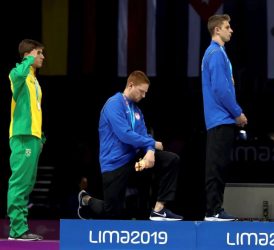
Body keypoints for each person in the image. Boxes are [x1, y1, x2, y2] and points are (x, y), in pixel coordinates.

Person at [78, 70, 183, 221]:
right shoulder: (113, 105)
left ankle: (159, 209)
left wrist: (150, 150)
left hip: (134, 160)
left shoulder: (137, 110)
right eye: (142, 91)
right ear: (131, 85)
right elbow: (125, 134)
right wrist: (152, 144)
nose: (144, 96)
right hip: (114, 163)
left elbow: (144, 135)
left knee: (171, 160)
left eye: (146, 92)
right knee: (112, 212)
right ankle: (86, 200)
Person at [201, 14, 248, 221]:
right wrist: (237, 113)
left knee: (218, 165)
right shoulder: (216, 53)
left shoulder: (217, 53)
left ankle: (214, 209)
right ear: (217, 30)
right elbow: (221, 89)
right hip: (221, 118)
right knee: (217, 166)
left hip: (219, 118)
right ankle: (213, 210)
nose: (232, 30)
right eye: (227, 27)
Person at [7, 39, 46, 240]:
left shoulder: (33, 79)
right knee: (20, 183)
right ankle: (16, 230)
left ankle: (20, 228)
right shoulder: (18, 74)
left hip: (32, 137)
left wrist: (40, 137)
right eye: (39, 53)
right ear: (30, 54)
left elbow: (34, 111)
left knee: (28, 184)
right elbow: (18, 73)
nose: (42, 57)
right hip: (22, 136)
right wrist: (27, 59)